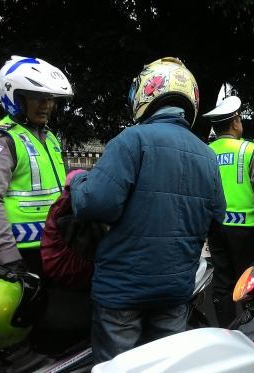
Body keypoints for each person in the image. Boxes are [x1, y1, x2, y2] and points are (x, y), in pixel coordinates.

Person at [69, 57, 225, 362]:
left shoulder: (131, 140)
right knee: (164, 366)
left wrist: (77, 182)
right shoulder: (208, 156)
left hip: (122, 291)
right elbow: (216, 216)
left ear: (145, 95)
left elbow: (94, 203)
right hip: (176, 290)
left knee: (119, 367)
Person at [0, 56, 73, 274]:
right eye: (38, 97)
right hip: (21, 254)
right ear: (15, 98)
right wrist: (7, 256)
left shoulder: (49, 137)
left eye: (50, 98)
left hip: (54, 248)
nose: (47, 105)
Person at [204, 95, 254, 327]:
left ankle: (225, 326)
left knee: (222, 278)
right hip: (247, 228)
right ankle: (251, 328)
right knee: (249, 281)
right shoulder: (248, 149)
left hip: (215, 225)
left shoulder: (207, 151)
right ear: (236, 122)